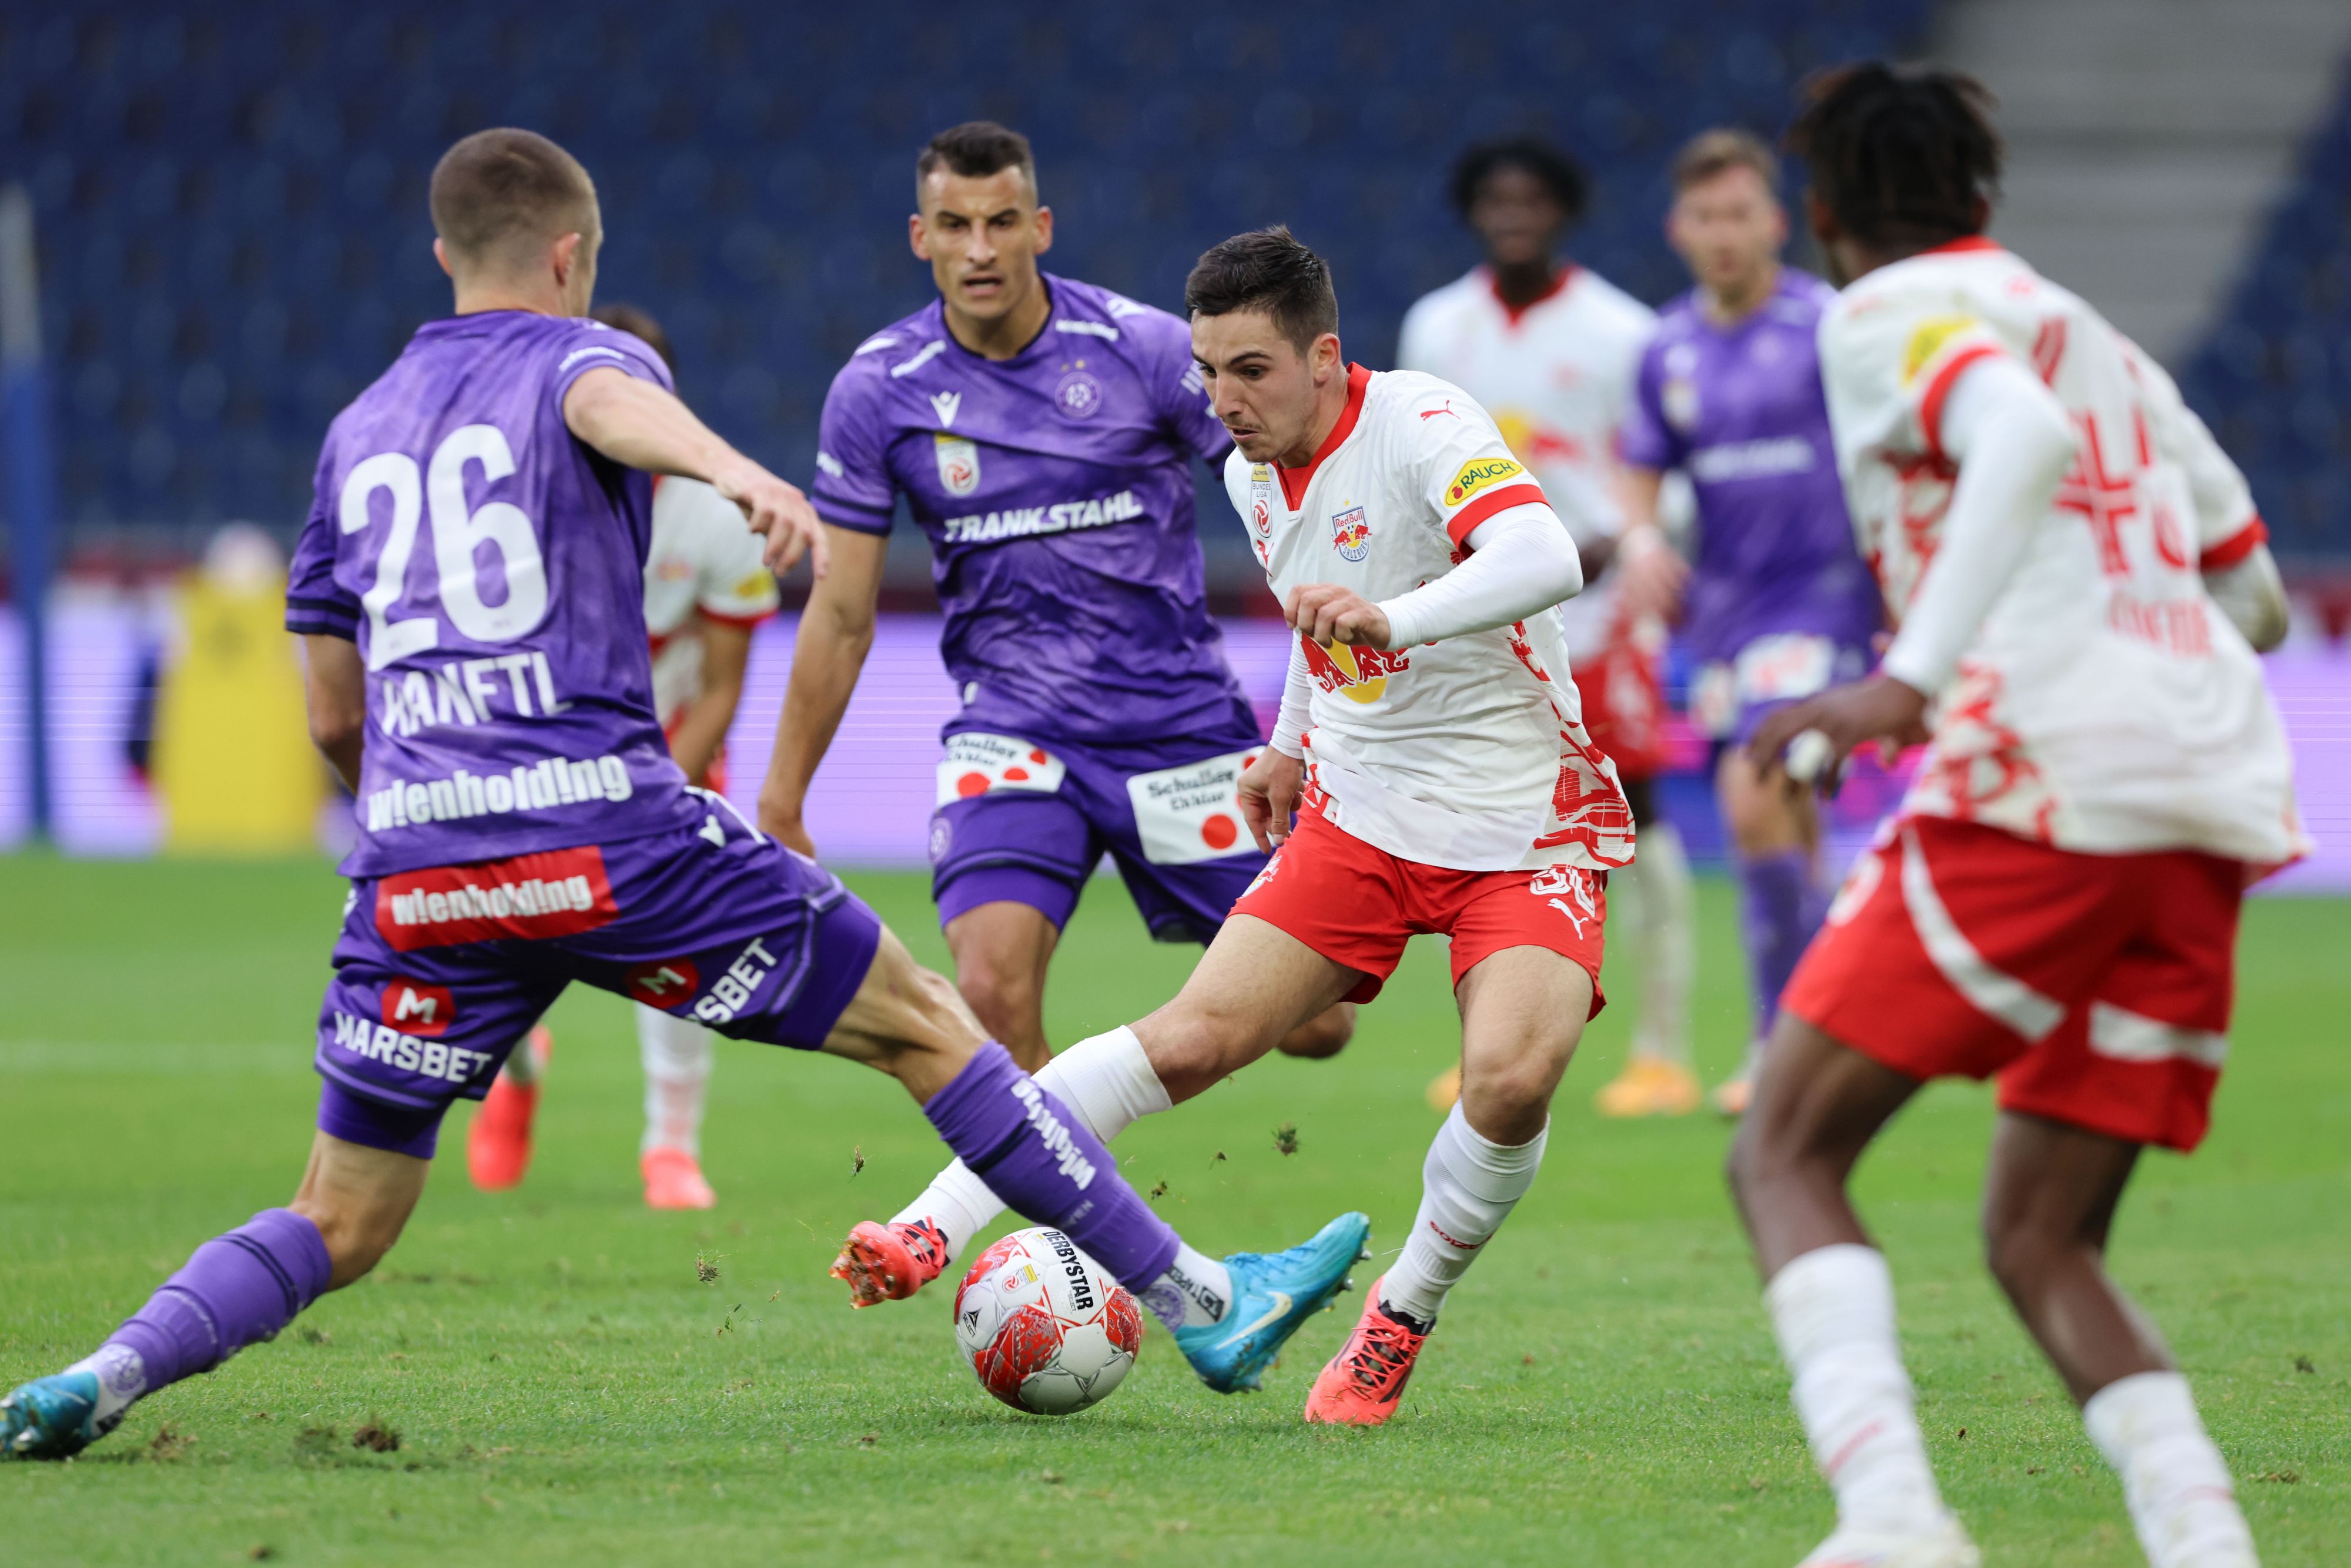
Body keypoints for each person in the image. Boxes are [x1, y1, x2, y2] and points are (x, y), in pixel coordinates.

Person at [0, 130, 1368, 1461]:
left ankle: (101, 1370)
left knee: (339, 1218)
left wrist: (422, 822)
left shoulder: (356, 432)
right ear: (569, 253)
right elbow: (602, 401)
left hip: (417, 868)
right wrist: (725, 466)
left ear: (439, 254)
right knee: (934, 1028)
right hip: (607, 827)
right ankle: (1207, 1299)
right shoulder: (584, 353)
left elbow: (330, 711)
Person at [833, 227, 1633, 1429]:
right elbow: (1320, 612)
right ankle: (926, 1224)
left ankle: (1393, 1321)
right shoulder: (1251, 469)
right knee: (1191, 1037)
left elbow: (1543, 552)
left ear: (1323, 357)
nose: (1222, 400)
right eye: (1207, 371)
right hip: (1358, 818)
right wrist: (1291, 743)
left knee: (1512, 1078)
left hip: (1519, 819)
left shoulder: (1420, 421)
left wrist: (1396, 618)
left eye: (1249, 370)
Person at [1729, 65, 2299, 1568]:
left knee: (1781, 1150)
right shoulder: (2098, 334)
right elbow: (2250, 594)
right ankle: (2206, 1545)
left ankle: (1895, 1518)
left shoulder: (1878, 312)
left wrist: (1908, 679)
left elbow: (2020, 439)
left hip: (2041, 780)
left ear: (1826, 215)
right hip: (2205, 798)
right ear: (1983, 200)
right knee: (2042, 1234)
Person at [761, 121, 1351, 1075]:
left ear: (1041, 226)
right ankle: (1077, 1216)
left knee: (1315, 1023)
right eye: (954, 225)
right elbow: (839, 611)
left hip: (1178, 727)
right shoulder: (879, 390)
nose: (980, 249)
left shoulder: (1144, 350)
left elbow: (1283, 486)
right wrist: (782, 800)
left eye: (1001, 222)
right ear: (922, 237)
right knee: (989, 990)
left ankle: (1115, 1107)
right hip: (1015, 730)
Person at [1398, 137, 1699, 1118]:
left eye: (1532, 198)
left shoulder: (1624, 331)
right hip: (1488, 619)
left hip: (1601, 618)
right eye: (1495, 198)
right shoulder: (1437, 327)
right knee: (1493, 828)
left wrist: (1614, 539)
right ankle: (1493, 1047)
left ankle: (1662, 1049)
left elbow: (1672, 475)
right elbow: (1407, 466)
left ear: (1563, 210)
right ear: (1473, 210)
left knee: (1638, 826)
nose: (1512, 213)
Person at [465, 302, 779, 1211]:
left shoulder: (715, 516)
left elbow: (721, 685)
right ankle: (517, 1070)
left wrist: (651, 791)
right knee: (497, 947)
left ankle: (670, 1149)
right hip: (535, 753)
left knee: (683, 940)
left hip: (665, 753)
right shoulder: (507, 506)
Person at [1613, 128, 1886, 1117]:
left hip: (1821, 603)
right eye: (1706, 217)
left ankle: (1782, 1050)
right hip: (1720, 618)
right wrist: (1643, 541)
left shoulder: (1830, 326)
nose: (1725, 234)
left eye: (1741, 214)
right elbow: (1640, 464)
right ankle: (1832, 1030)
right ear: (1679, 230)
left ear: (1776, 222)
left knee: (1752, 789)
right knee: (1791, 823)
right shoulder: (1668, 346)